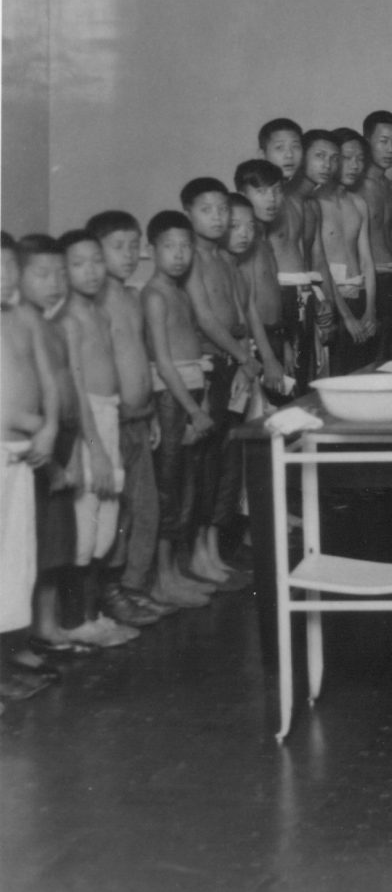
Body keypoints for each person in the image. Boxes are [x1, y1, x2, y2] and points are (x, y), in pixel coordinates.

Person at [85, 211, 171, 625]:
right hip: (112, 422)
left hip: (140, 417)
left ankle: (134, 588)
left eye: (135, 246)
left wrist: (151, 413)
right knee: (114, 515)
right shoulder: (95, 302)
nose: (130, 255)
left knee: (145, 510)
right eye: (118, 247)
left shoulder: (133, 297)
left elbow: (143, 358)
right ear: (95, 251)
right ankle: (110, 591)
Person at [57, 230, 137, 648]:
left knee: (105, 526)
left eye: (95, 261)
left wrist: (116, 429)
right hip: (87, 430)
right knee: (83, 531)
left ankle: (92, 615)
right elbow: (76, 392)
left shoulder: (98, 312)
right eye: (78, 264)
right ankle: (74, 623)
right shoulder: (68, 319)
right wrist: (96, 452)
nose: (91, 272)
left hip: (107, 418)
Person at [181, 178, 257, 588]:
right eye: (207, 210)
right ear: (189, 212)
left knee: (228, 462)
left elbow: (239, 318)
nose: (218, 218)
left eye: (223, 210)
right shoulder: (192, 258)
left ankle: (212, 550)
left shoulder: (227, 261)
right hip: (209, 366)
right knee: (204, 465)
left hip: (232, 366)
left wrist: (245, 357)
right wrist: (244, 355)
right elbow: (207, 319)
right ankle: (197, 555)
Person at [17, 235, 88, 655]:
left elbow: (68, 397)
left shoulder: (54, 326)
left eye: (61, 273)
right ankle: (24, 637)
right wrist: (51, 464)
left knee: (54, 546)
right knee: (29, 549)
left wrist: (74, 451)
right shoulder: (19, 329)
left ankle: (46, 626)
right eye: (42, 274)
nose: (55, 282)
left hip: (61, 442)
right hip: (33, 452)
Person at [142, 212, 214, 609]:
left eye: (185, 246)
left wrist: (198, 403)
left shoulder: (179, 291)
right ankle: (160, 578)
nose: (179, 255)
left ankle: (174, 572)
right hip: (171, 398)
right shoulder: (153, 294)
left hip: (190, 393)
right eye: (169, 247)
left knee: (187, 485)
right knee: (168, 488)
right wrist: (192, 409)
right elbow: (164, 361)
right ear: (151, 250)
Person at [0, 233, 57, 699]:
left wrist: (49, 429)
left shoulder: (23, 319)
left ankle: (5, 664)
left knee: (14, 568)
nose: (2, 277)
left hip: (22, 461)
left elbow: (50, 382)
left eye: (8, 267)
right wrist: (26, 421)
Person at [260, 118, 328, 387]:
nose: (289, 155)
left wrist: (321, 297)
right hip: (277, 301)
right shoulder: (262, 204)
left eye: (295, 147)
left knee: (306, 380)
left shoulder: (300, 201)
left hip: (303, 295)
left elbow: (309, 258)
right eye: (279, 148)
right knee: (282, 388)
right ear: (263, 152)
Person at [306, 131, 376, 374]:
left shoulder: (358, 203)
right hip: (330, 301)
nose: (354, 166)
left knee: (363, 376)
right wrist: (345, 316)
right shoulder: (314, 203)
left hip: (359, 296)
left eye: (360, 159)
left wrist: (370, 310)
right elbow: (320, 263)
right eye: (347, 158)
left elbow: (367, 261)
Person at [233, 160, 291, 401]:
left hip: (274, 336)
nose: (271, 199)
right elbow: (249, 307)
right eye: (261, 192)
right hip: (259, 341)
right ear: (242, 195)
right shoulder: (246, 242)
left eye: (277, 190)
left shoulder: (264, 237)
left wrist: (284, 344)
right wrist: (267, 357)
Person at [360, 110, 392, 360]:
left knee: (391, 359)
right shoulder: (358, 187)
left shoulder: (389, 187)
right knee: (369, 361)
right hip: (372, 279)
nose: (391, 149)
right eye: (383, 141)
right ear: (367, 141)